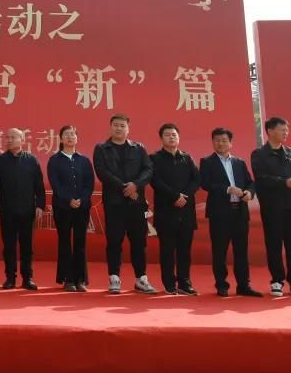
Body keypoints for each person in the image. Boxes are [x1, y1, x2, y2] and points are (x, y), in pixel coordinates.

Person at [252, 117, 291, 297]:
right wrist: (284, 182)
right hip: (273, 208)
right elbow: (261, 179)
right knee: (274, 244)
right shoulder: (259, 154)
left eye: (287, 130)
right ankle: (277, 281)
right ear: (270, 131)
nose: (286, 133)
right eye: (282, 130)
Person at [93, 113, 156, 294]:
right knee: (114, 241)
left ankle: (141, 279)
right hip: (114, 203)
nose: (119, 128)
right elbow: (102, 172)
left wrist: (136, 184)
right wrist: (124, 188)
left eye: (122, 125)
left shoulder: (138, 148)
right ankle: (114, 278)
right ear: (110, 127)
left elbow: (148, 169)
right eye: (116, 125)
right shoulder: (101, 148)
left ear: (128, 129)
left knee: (139, 242)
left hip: (136, 203)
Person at [199, 127, 261, 297]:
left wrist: (249, 193)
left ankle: (243, 285)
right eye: (217, 140)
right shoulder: (207, 162)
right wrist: (227, 189)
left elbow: (250, 183)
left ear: (230, 143)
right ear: (213, 142)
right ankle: (222, 285)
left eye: (224, 140)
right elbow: (205, 184)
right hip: (219, 213)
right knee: (220, 251)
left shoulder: (239, 162)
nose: (221, 143)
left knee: (241, 251)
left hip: (239, 212)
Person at [150, 123, 200, 295]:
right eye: (167, 135)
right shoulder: (154, 158)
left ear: (178, 137)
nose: (171, 137)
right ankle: (169, 283)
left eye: (174, 135)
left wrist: (184, 195)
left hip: (186, 210)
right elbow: (155, 181)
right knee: (167, 249)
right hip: (166, 210)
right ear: (161, 138)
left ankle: (185, 282)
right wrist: (174, 196)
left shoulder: (187, 158)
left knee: (185, 250)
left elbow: (196, 180)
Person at [0, 128, 45, 290]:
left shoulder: (32, 160)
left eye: (13, 137)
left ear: (22, 140)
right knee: (8, 246)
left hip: (27, 210)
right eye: (7, 137)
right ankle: (10, 278)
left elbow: (39, 186)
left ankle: (27, 278)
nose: (9, 140)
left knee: (27, 246)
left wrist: (40, 205)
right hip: (7, 210)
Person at [47, 125, 95, 292]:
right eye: (66, 135)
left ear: (77, 138)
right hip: (62, 207)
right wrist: (69, 200)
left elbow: (89, 184)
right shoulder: (55, 160)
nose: (69, 137)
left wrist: (82, 199)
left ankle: (80, 279)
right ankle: (67, 279)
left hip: (82, 207)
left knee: (80, 243)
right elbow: (55, 184)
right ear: (61, 139)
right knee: (65, 242)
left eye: (72, 134)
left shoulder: (84, 160)